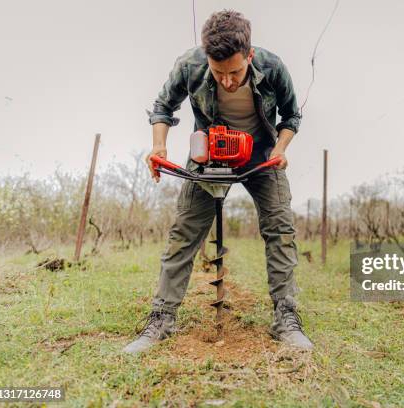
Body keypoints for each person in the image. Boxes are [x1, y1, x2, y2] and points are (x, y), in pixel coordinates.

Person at [123, 9, 313, 353]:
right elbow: (163, 106)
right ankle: (161, 319)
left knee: (280, 231)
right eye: (218, 72)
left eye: (235, 72)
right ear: (206, 58)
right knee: (183, 235)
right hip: (208, 154)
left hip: (261, 155)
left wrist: (281, 149)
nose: (227, 81)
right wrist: (158, 146)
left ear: (250, 56)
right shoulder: (189, 65)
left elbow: (292, 115)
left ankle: (286, 317)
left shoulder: (272, 67)